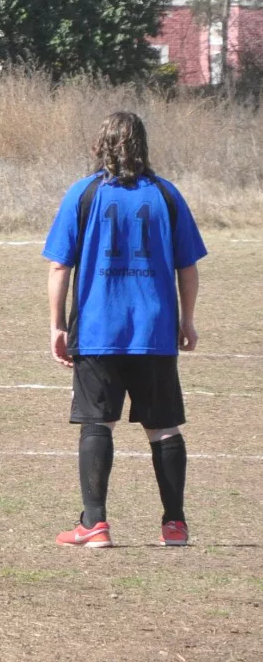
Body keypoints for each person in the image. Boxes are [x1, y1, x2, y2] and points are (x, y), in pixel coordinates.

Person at [43, 111, 206, 549]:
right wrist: (186, 319)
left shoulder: (84, 192)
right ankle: (174, 525)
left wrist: (57, 324)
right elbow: (187, 266)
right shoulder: (166, 195)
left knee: (98, 423)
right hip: (153, 330)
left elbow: (60, 264)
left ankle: (94, 524)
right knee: (164, 426)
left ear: (101, 145)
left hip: (98, 329)